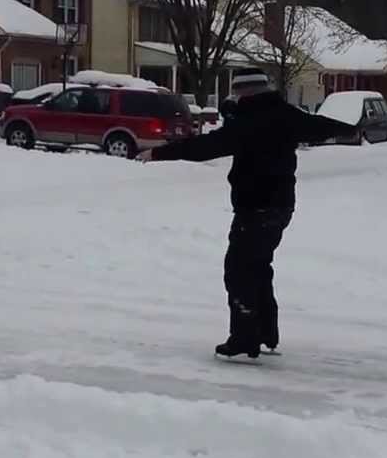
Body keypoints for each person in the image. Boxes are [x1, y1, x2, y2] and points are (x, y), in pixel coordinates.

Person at [137, 69, 357, 358]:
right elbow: (318, 125)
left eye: (237, 92)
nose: (235, 97)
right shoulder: (284, 114)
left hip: (255, 207)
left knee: (239, 271)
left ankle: (244, 338)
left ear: (246, 92)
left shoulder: (248, 121)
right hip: (280, 206)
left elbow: (206, 146)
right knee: (258, 267)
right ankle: (266, 332)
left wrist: (159, 153)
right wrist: (349, 128)